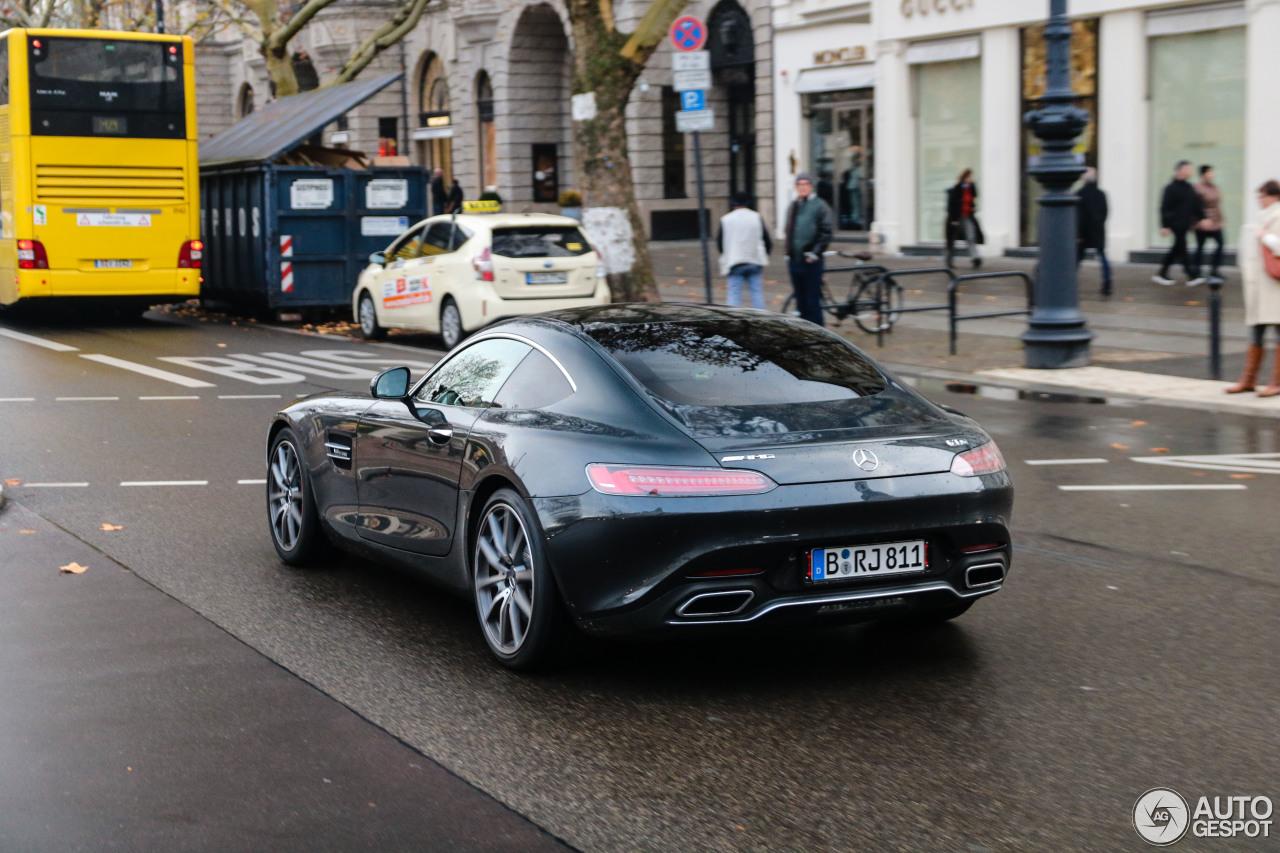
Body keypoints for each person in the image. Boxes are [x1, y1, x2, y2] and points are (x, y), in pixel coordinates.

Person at [1227, 180, 1280, 396]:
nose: (1260, 200)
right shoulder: (1262, 218)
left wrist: (1265, 237)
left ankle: (1276, 383)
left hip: (1274, 285)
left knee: (1278, 331)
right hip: (1259, 285)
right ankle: (1248, 380)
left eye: (1263, 196)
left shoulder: (1277, 216)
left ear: (1273, 196)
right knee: (1256, 331)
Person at [784, 173, 834, 326]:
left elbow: (826, 232)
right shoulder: (793, 205)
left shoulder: (820, 205)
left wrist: (815, 253)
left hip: (811, 261)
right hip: (795, 260)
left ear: (811, 187)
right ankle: (805, 332)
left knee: (812, 301)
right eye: (800, 184)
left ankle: (818, 333)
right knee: (801, 301)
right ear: (796, 187)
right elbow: (789, 229)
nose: (803, 187)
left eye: (806, 184)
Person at [716, 192, 771, 310]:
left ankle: (732, 321)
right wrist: (764, 255)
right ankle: (762, 319)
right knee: (757, 295)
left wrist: (727, 255)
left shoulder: (726, 219)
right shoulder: (756, 217)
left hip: (735, 261)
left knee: (734, 296)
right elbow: (767, 240)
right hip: (754, 261)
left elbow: (720, 243)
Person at [1154, 160, 1205, 286]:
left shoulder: (1189, 188)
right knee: (1182, 247)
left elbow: (1195, 205)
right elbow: (1164, 208)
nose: (1190, 171)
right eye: (1188, 169)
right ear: (1180, 170)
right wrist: (1165, 225)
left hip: (1185, 223)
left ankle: (1162, 273)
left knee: (1177, 248)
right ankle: (1190, 275)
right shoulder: (1170, 188)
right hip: (1175, 223)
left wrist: (1202, 218)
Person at [1076, 168, 1112, 296]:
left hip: (1084, 233)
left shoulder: (1079, 194)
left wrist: (1079, 234)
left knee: (1077, 258)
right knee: (1102, 256)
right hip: (1098, 230)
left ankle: (1071, 282)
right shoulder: (1101, 194)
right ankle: (1107, 284)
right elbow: (1105, 212)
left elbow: (1079, 216)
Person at [946, 169, 984, 269]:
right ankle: (949, 261)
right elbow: (952, 204)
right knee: (952, 240)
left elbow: (971, 201)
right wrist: (953, 219)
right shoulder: (957, 188)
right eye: (969, 177)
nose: (971, 179)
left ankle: (975, 258)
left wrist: (973, 207)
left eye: (971, 177)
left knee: (971, 236)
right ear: (964, 178)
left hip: (967, 216)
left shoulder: (971, 188)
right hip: (956, 217)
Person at [1194, 164, 1225, 282]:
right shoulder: (1197, 188)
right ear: (1204, 174)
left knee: (1221, 244)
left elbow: (1217, 205)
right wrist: (1201, 220)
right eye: (1210, 172)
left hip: (1216, 223)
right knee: (1200, 247)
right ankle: (1197, 271)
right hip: (1203, 223)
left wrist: (1221, 220)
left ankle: (1214, 270)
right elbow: (1195, 206)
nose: (1212, 174)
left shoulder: (1215, 187)